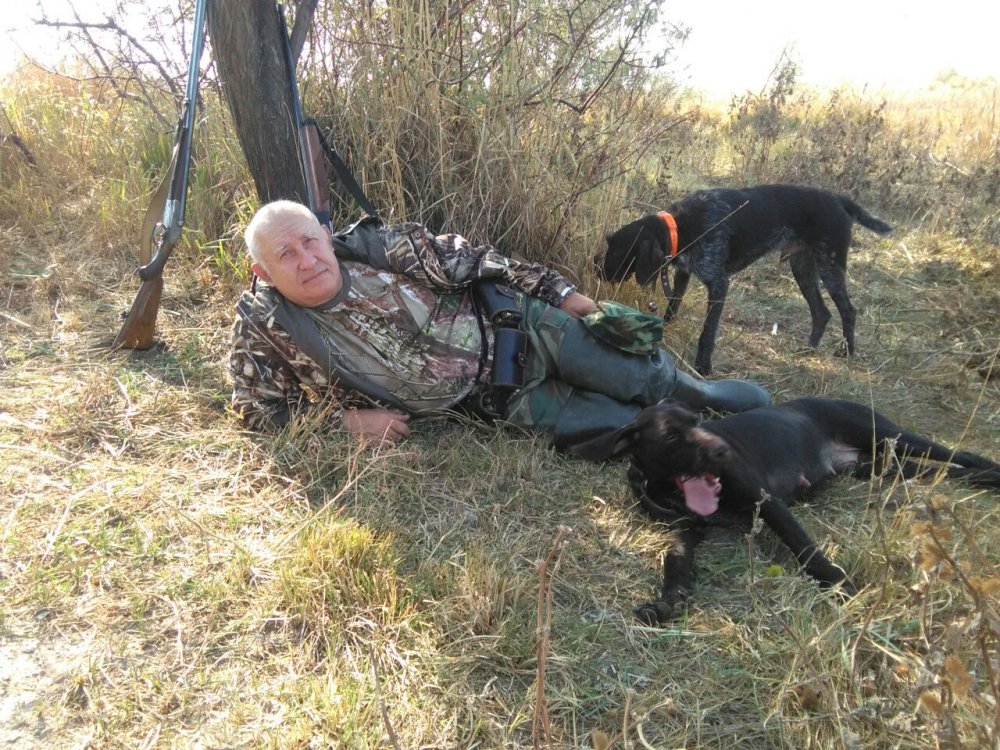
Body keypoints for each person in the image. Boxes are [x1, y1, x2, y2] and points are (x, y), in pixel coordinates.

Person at [228, 200, 770, 450]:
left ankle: (702, 393)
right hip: (495, 400)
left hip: (520, 329)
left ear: (326, 237)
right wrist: (350, 423)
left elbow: (481, 261)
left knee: (646, 379)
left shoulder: (379, 248)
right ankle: (720, 444)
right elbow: (256, 409)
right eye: (285, 254)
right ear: (262, 272)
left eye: (310, 242)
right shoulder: (264, 324)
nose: (307, 261)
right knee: (635, 429)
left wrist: (570, 299)